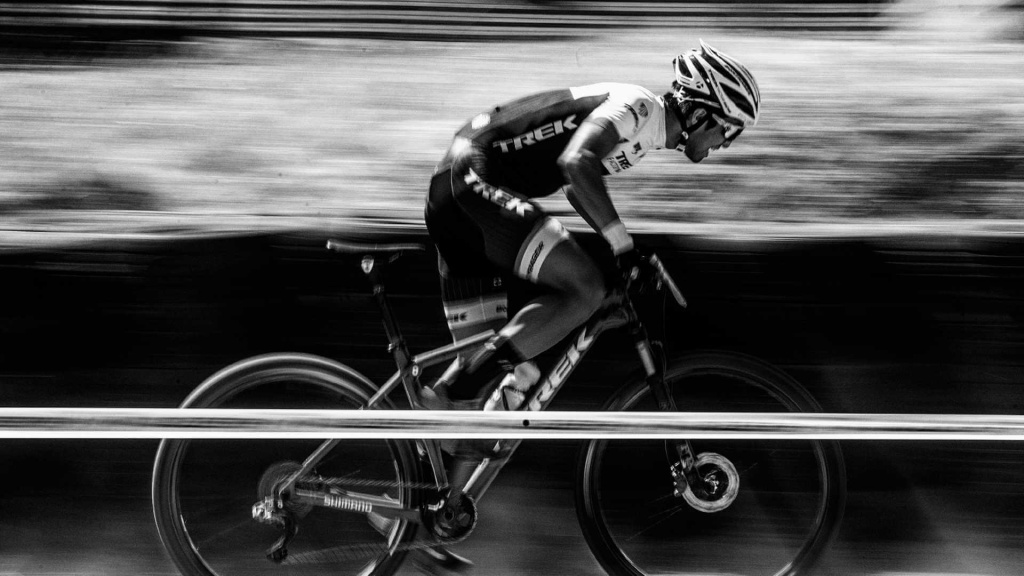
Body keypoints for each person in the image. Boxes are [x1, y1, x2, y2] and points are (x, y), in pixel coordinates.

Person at [411, 40, 760, 572]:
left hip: (462, 192)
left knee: (510, 385)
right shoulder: (639, 107)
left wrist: (623, 247)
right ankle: (451, 388)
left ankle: (425, 514)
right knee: (584, 289)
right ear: (703, 111)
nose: (725, 144)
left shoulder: (643, 131)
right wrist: (621, 246)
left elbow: (579, 187)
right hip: (471, 184)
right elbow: (575, 164)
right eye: (728, 130)